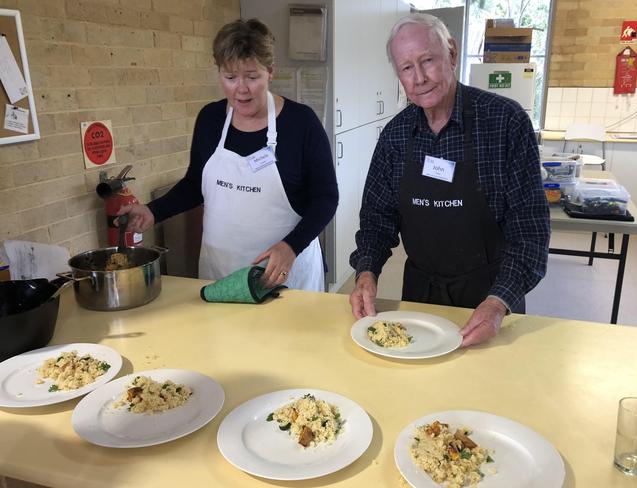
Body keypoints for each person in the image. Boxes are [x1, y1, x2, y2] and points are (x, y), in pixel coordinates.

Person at [349, 14, 550, 347]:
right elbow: (376, 221)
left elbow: (530, 233)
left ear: (452, 54)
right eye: (407, 68)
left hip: (490, 298)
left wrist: (498, 304)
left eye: (427, 60)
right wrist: (366, 274)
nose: (420, 78)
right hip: (419, 297)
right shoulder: (395, 137)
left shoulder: (505, 123)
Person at [118, 19, 338, 291]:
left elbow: (326, 198)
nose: (241, 88)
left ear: (270, 72)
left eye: (252, 76)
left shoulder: (301, 123)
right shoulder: (210, 119)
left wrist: (291, 247)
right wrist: (153, 211)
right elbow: (195, 184)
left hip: (284, 275)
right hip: (220, 272)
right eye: (230, 77)